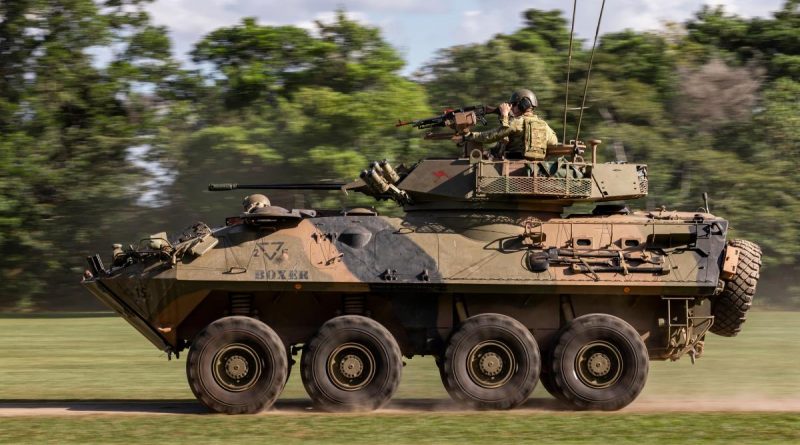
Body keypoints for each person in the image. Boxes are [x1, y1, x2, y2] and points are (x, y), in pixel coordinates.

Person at [452, 89, 558, 160]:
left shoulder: (517, 122)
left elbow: (490, 136)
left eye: (513, 105)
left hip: (513, 167)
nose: (511, 108)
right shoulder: (544, 125)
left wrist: (468, 136)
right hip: (534, 168)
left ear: (521, 106)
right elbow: (554, 143)